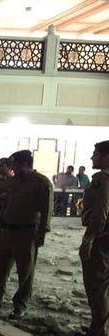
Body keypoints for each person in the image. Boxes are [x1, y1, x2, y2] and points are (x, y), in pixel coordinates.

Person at [0, 150, 53, 320]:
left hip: (27, 232)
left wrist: (42, 231)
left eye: (14, 164)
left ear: (25, 164)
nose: (11, 168)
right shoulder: (13, 181)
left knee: (25, 271)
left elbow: (47, 210)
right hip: (7, 230)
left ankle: (20, 305)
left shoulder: (41, 183)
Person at [78, 140, 109, 336]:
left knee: (97, 285)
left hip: (101, 239)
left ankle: (98, 330)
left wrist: (89, 239)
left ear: (106, 158)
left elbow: (101, 211)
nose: (92, 157)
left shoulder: (102, 179)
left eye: (95, 154)